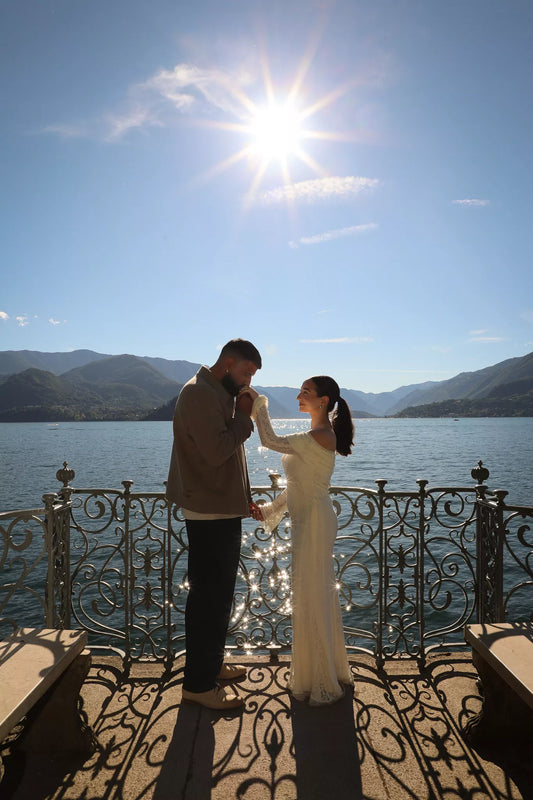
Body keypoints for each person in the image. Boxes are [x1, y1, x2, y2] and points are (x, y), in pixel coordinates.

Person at [242, 376, 355, 705]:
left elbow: (269, 438)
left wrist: (258, 403)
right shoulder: (315, 436)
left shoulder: (320, 436)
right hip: (310, 519)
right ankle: (321, 671)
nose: (298, 396)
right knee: (311, 594)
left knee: (312, 595)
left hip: (316, 521)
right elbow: (295, 487)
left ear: (323, 400)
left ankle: (322, 678)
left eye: (305, 392)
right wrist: (268, 510)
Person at [166, 338, 264, 710]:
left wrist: (243, 497)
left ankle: (210, 665)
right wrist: (244, 416)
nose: (247, 382)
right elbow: (218, 450)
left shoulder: (214, 392)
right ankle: (197, 685)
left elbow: (227, 457)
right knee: (209, 597)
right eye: (245, 373)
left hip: (220, 506)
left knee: (218, 595)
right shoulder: (198, 394)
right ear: (227, 363)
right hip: (208, 510)